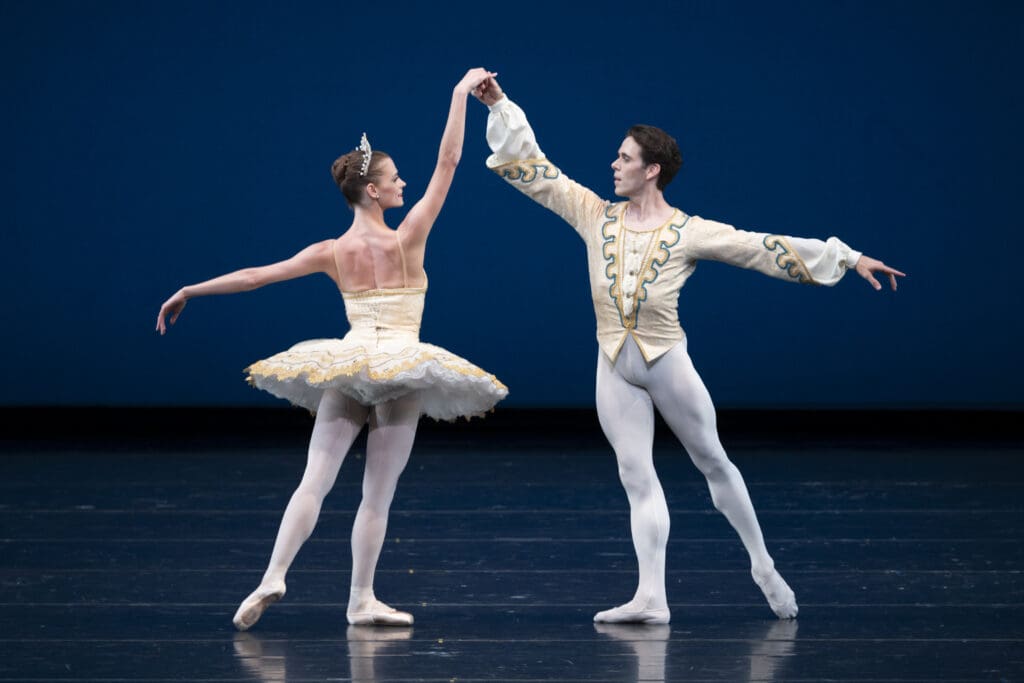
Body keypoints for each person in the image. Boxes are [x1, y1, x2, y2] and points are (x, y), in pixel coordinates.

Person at [472, 77, 904, 624]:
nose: (614, 164)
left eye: (624, 158)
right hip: (614, 364)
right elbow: (537, 172)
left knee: (712, 461)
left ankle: (762, 564)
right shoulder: (595, 215)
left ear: (651, 170)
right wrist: (501, 106)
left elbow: (762, 248)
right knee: (635, 475)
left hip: (665, 362)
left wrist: (847, 257)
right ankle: (652, 596)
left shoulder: (689, 232)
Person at [157, 68, 506, 629]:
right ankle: (359, 596)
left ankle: (275, 573)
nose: (403, 184)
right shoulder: (408, 237)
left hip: (350, 363)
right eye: (394, 179)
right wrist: (460, 94)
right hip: (402, 364)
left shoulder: (331, 250)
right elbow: (449, 163)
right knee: (377, 495)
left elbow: (253, 277)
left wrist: (189, 290)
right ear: (372, 189)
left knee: (314, 479)